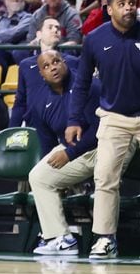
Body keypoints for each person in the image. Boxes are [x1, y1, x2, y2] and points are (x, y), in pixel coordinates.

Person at [65, 0, 140, 259]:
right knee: (104, 177)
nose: (129, 7)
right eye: (122, 3)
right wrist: (74, 119)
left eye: (131, 3)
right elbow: (80, 83)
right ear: (109, 9)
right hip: (114, 119)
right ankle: (105, 238)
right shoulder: (93, 39)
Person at [28, 50, 101, 256]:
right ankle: (61, 237)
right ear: (41, 74)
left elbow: (100, 130)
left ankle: (105, 239)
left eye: (56, 62)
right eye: (46, 66)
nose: (53, 67)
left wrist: (70, 154)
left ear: (65, 63)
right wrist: (59, 173)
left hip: (104, 145)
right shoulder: (40, 100)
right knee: (39, 176)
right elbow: (47, 145)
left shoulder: (87, 86)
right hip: (73, 151)